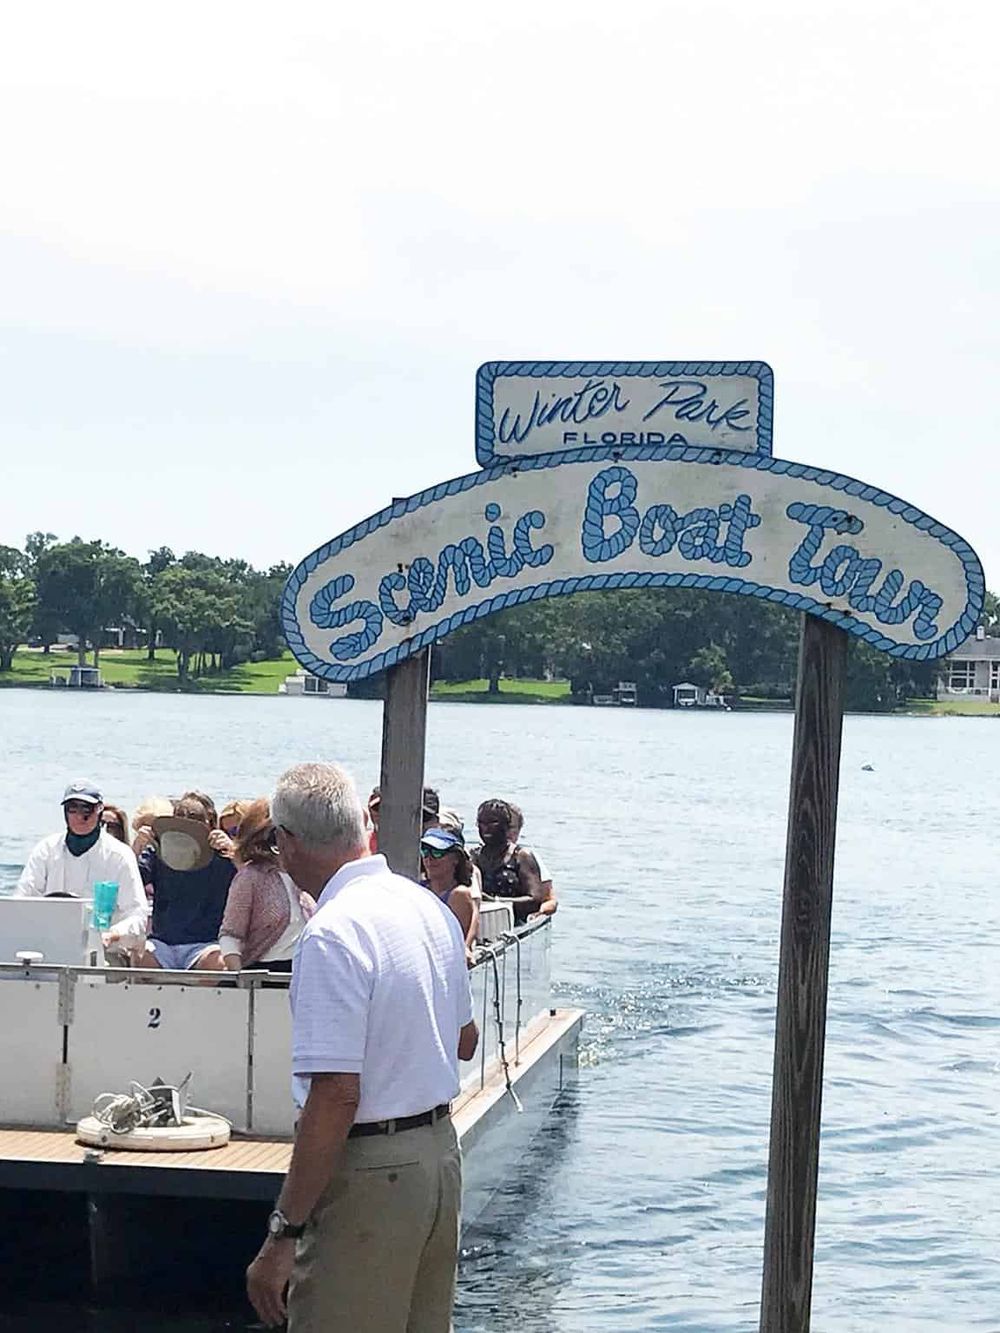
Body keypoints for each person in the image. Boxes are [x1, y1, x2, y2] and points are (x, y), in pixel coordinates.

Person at [245, 762, 478, 1332]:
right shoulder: (427, 907)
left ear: (287, 842)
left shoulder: (331, 933)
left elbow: (335, 1096)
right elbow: (465, 1040)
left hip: (372, 1174)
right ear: (358, 827)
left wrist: (283, 1234)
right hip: (439, 1157)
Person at [14, 782, 148, 952]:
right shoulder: (46, 849)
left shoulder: (120, 855)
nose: (79, 816)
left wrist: (113, 934)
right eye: (72, 809)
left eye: (86, 809)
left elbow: (137, 914)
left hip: (106, 949)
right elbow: (22, 900)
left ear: (99, 810)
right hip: (47, 944)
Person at [134, 796, 236, 971]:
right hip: (162, 943)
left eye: (194, 820)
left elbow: (252, 879)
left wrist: (234, 851)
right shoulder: (158, 852)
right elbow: (130, 882)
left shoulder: (224, 857)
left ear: (209, 823)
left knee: (217, 962)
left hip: (205, 944)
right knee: (139, 957)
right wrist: (137, 847)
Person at [218, 798, 312, 973]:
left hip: (303, 970)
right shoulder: (250, 877)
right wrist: (239, 977)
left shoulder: (305, 874)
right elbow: (230, 934)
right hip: (261, 972)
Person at [472, 798, 557, 924]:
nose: (486, 828)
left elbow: (535, 901)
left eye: (492, 823)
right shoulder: (473, 856)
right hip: (481, 923)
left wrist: (495, 902)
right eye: (481, 823)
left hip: (513, 925)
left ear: (506, 825)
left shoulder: (522, 856)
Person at [419, 826, 479, 963]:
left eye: (437, 853)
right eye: (425, 852)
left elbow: (458, 942)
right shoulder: (419, 888)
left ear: (456, 859)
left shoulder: (459, 895)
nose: (429, 859)